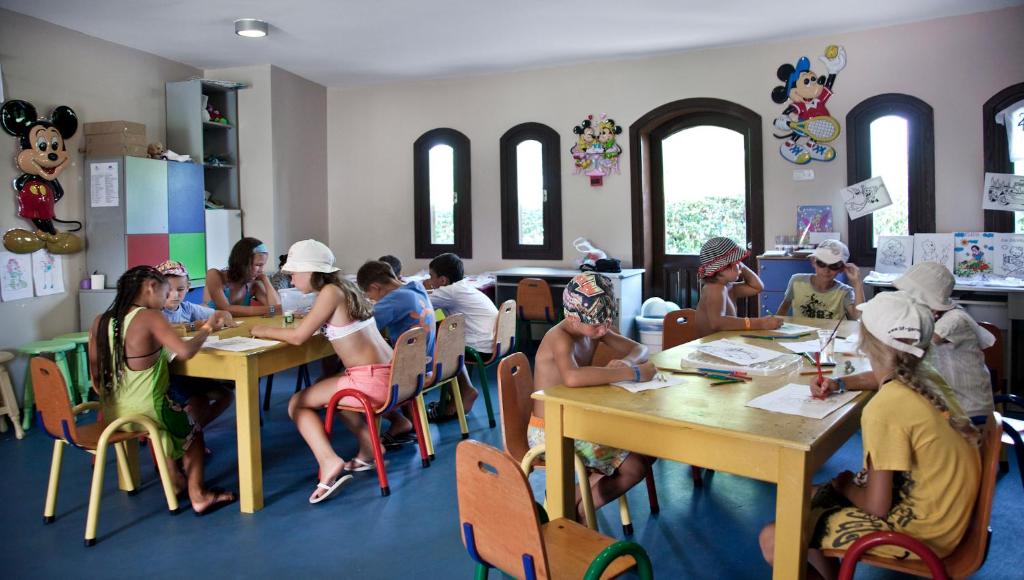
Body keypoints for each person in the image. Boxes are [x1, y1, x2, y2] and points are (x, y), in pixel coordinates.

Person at [761, 291, 981, 579]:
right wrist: (840, 383)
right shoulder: (925, 375)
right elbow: (881, 377)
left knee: (773, 538)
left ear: (865, 342)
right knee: (805, 495)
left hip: (921, 535)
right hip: (946, 517)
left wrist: (844, 485)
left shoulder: (885, 408)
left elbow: (876, 507)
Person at [251, 240, 394, 504]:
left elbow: (298, 337)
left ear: (310, 271)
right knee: (329, 388)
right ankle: (370, 449)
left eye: (294, 273)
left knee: (297, 403)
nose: (291, 279)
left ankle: (329, 461)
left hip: (370, 382)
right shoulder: (345, 287)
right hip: (389, 375)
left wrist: (262, 330)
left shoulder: (329, 292)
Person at [87, 266, 236, 515]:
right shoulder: (149, 317)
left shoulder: (100, 321)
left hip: (114, 414)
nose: (167, 299)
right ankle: (199, 495)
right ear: (150, 287)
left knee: (169, 427)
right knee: (193, 433)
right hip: (150, 409)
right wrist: (208, 328)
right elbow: (185, 351)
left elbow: (95, 375)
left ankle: (175, 481)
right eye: (165, 293)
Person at [531, 273, 657, 520]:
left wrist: (627, 361)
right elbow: (572, 377)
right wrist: (631, 372)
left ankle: (573, 504)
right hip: (550, 430)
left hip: (578, 421)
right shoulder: (559, 337)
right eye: (597, 325)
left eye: (607, 322)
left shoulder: (594, 328)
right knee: (634, 466)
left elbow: (640, 349)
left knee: (648, 447)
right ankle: (576, 511)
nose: (603, 330)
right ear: (572, 317)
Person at [813, 264, 994, 422]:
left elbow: (895, 363)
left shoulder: (951, 321)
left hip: (966, 413)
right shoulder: (927, 320)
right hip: (942, 409)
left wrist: (878, 339)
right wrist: (838, 383)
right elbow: (894, 370)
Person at [356, 260, 436, 447]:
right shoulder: (415, 288)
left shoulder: (393, 300)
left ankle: (399, 421)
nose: (372, 299)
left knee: (357, 378)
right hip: (427, 363)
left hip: (410, 371)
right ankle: (409, 420)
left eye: (369, 295)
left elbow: (363, 327)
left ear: (375, 287)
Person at [155, 260, 234, 428]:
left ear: (188, 287)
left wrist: (223, 317)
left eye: (180, 289)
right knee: (199, 401)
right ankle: (188, 435)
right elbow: (166, 330)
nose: (174, 295)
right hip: (169, 376)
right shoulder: (155, 312)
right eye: (168, 290)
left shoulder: (187, 308)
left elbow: (221, 313)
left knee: (227, 396)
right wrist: (194, 326)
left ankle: (194, 432)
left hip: (190, 372)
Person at [425, 252, 494, 418]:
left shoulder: (449, 292)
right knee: (442, 334)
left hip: (481, 347)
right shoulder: (461, 287)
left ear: (443, 280)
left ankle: (464, 392)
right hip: (493, 341)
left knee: (435, 346)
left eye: (431, 276)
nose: (429, 280)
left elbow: (418, 303)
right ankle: (458, 394)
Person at [693, 236, 782, 337]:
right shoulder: (714, 289)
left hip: (724, 343)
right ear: (722, 268)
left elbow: (757, 287)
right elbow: (717, 323)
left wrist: (740, 267)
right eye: (737, 262)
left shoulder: (729, 287)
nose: (740, 265)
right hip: (711, 345)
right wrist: (760, 323)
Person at [776, 239, 864, 320]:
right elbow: (783, 308)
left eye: (834, 265)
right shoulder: (797, 281)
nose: (826, 270)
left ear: (841, 269)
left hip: (831, 332)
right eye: (821, 263)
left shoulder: (844, 292)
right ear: (813, 262)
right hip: (801, 331)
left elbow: (858, 316)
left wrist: (857, 283)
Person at [204, 237, 281, 317]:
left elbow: (278, 308)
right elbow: (225, 308)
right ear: (243, 263)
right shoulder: (214, 275)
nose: (261, 270)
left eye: (263, 265)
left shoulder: (253, 285)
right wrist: (269, 310)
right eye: (258, 265)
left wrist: (265, 280)